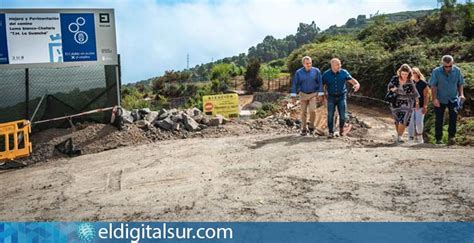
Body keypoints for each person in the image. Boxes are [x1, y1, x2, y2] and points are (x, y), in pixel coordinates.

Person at [429, 55, 466, 145]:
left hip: (453, 98)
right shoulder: (436, 71)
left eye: (450, 66)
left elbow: (460, 83)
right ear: (442, 64)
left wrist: (461, 94)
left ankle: (451, 137)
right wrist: (434, 99)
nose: (448, 68)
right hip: (440, 99)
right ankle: (438, 139)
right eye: (446, 66)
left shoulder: (457, 71)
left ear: (452, 63)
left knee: (453, 118)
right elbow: (433, 86)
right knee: (439, 119)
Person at [322, 58, 360, 138]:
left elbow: (352, 81)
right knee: (330, 115)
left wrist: (356, 84)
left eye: (340, 64)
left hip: (342, 97)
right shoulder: (326, 74)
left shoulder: (344, 72)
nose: (340, 66)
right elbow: (321, 85)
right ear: (332, 65)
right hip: (331, 97)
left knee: (343, 115)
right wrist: (322, 96)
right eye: (338, 64)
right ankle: (331, 132)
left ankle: (341, 130)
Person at [291, 56, 324, 136]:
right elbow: (295, 83)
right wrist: (294, 96)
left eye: (310, 63)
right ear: (303, 64)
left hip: (313, 94)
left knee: (312, 110)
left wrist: (320, 94)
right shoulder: (299, 72)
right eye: (307, 63)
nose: (309, 65)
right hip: (303, 94)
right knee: (303, 112)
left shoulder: (316, 71)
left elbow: (320, 82)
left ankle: (311, 127)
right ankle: (303, 129)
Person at [387, 64, 420, 144]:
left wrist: (417, 101)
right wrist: (398, 91)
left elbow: (415, 92)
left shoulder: (410, 81)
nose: (404, 76)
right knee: (397, 120)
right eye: (403, 74)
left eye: (406, 74)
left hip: (407, 102)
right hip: (395, 102)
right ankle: (398, 136)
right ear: (400, 72)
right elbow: (390, 87)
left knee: (403, 120)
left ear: (409, 73)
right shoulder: (395, 79)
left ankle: (399, 137)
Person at [407, 67, 430, 144]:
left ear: (418, 73)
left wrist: (425, 106)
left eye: (414, 72)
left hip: (420, 106)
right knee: (410, 122)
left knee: (418, 122)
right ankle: (410, 138)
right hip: (410, 106)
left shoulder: (423, 83)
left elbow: (426, 96)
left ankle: (419, 136)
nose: (413, 74)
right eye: (411, 73)